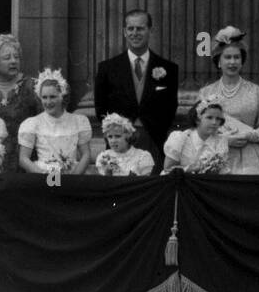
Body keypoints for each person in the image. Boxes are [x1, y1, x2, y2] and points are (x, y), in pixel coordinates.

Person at [93, 9, 179, 173]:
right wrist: (116, 132)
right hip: (119, 141)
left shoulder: (169, 68)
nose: (135, 33)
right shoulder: (107, 68)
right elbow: (100, 107)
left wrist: (155, 129)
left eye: (140, 28)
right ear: (124, 32)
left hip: (153, 139)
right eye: (130, 28)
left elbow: (171, 106)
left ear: (150, 30)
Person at [197, 26, 259, 175]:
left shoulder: (257, 92)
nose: (232, 62)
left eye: (236, 57)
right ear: (218, 61)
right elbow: (199, 131)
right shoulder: (206, 93)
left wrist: (254, 135)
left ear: (242, 60)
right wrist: (224, 141)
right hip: (216, 158)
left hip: (252, 158)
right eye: (227, 57)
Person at [0, 33, 41, 173]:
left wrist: (52, 176)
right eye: (7, 58)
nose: (13, 61)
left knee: (49, 187)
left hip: (28, 162)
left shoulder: (33, 87)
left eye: (16, 57)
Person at [18, 69, 92, 175]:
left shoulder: (78, 121)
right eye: (44, 97)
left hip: (73, 175)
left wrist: (75, 177)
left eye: (52, 97)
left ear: (62, 96)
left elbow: (86, 154)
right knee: (54, 188)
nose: (48, 102)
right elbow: (23, 158)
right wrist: (43, 174)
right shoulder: (33, 123)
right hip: (45, 175)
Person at [162, 98, 231, 174]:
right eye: (209, 117)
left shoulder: (221, 140)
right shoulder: (180, 138)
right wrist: (192, 169)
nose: (214, 122)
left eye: (218, 119)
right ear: (197, 119)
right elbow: (168, 169)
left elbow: (221, 170)